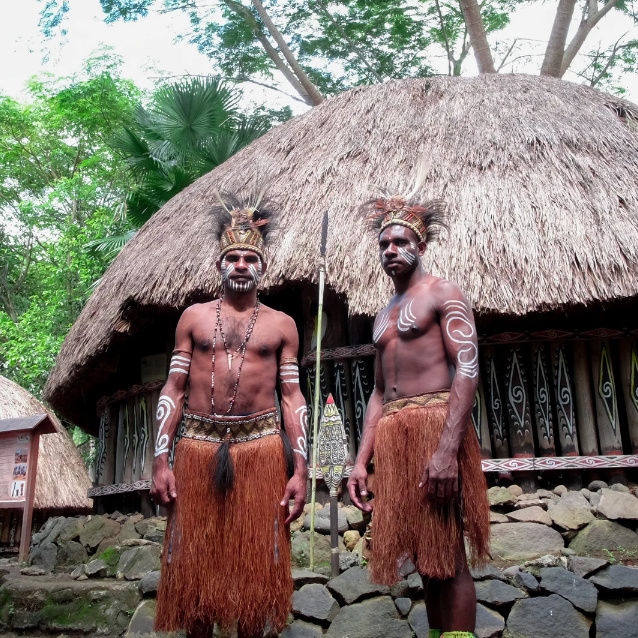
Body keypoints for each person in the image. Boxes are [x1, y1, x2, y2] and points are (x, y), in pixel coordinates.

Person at [151, 189, 308, 638]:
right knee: (196, 574)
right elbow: (173, 388)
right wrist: (160, 461)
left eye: (249, 258)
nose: (241, 264)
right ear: (219, 263)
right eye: (233, 257)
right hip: (197, 449)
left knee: (255, 574)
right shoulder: (193, 318)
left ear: (263, 266)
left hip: (261, 450)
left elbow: (292, 397)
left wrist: (300, 469)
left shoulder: (282, 324)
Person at [347, 193, 490, 638]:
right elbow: (378, 392)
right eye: (384, 244)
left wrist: (447, 450)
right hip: (394, 432)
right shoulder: (382, 314)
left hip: (435, 425)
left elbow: (467, 368)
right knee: (424, 552)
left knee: (449, 550)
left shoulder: (443, 292)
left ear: (421, 246)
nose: (390, 250)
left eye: (400, 242)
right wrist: (361, 460)